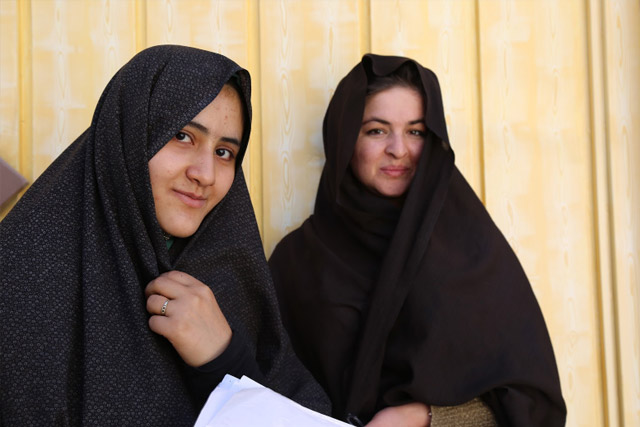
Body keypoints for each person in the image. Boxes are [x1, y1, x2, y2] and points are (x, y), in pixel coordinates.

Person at [0, 45, 329, 426]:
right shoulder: (21, 275)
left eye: (224, 152)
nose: (205, 173)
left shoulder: (230, 278)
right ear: (128, 133)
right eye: (182, 136)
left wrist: (225, 361)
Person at [269, 54, 566, 426]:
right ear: (345, 139)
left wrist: (424, 418)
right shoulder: (297, 260)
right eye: (376, 130)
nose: (399, 149)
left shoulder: (469, 247)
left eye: (416, 131)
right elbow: (266, 384)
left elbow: (532, 406)